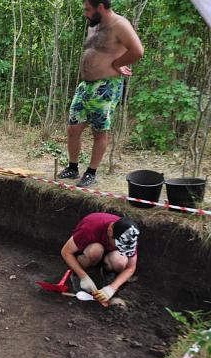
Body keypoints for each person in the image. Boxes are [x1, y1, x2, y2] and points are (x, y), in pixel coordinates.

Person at [57, 0, 144, 187]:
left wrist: (117, 64)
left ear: (101, 7)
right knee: (73, 128)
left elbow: (138, 51)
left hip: (106, 86)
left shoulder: (120, 25)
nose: (85, 13)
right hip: (85, 86)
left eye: (88, 9)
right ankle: (73, 167)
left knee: (99, 131)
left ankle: (91, 172)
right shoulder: (94, 25)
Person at [60, 213, 139, 304]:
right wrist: (83, 277)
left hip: (108, 256)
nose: (120, 248)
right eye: (118, 245)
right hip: (88, 252)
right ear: (110, 231)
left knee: (120, 260)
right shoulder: (90, 228)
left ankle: (107, 275)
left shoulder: (129, 236)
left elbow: (130, 268)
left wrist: (112, 288)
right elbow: (66, 252)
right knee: (95, 250)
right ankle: (79, 275)